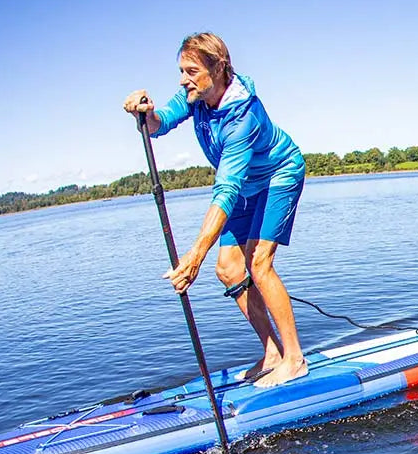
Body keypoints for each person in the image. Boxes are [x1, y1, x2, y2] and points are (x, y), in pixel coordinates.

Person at [123, 33, 309, 387]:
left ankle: (295, 358)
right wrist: (144, 113)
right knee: (227, 269)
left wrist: (194, 255)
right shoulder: (196, 97)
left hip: (278, 176)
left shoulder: (243, 117)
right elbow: (159, 123)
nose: (183, 79)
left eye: (191, 71)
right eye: (181, 70)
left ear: (218, 68)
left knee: (258, 263)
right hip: (245, 185)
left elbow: (225, 190)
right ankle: (272, 352)